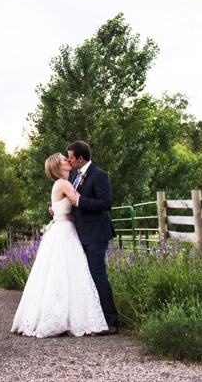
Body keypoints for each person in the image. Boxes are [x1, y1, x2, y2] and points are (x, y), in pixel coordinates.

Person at [11, 153, 108, 338]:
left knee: (62, 274)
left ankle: (64, 315)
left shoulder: (63, 183)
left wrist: (54, 208)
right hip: (64, 231)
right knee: (68, 273)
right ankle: (65, 317)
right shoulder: (64, 183)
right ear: (58, 166)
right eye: (65, 159)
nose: (68, 161)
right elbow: (80, 199)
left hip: (62, 228)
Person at [66, 140, 120, 333]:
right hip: (82, 233)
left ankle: (111, 322)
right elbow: (73, 201)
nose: (69, 160)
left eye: (71, 157)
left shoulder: (98, 175)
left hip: (97, 234)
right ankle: (94, 319)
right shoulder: (75, 176)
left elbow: (106, 203)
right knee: (87, 276)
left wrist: (81, 200)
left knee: (98, 275)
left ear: (81, 158)